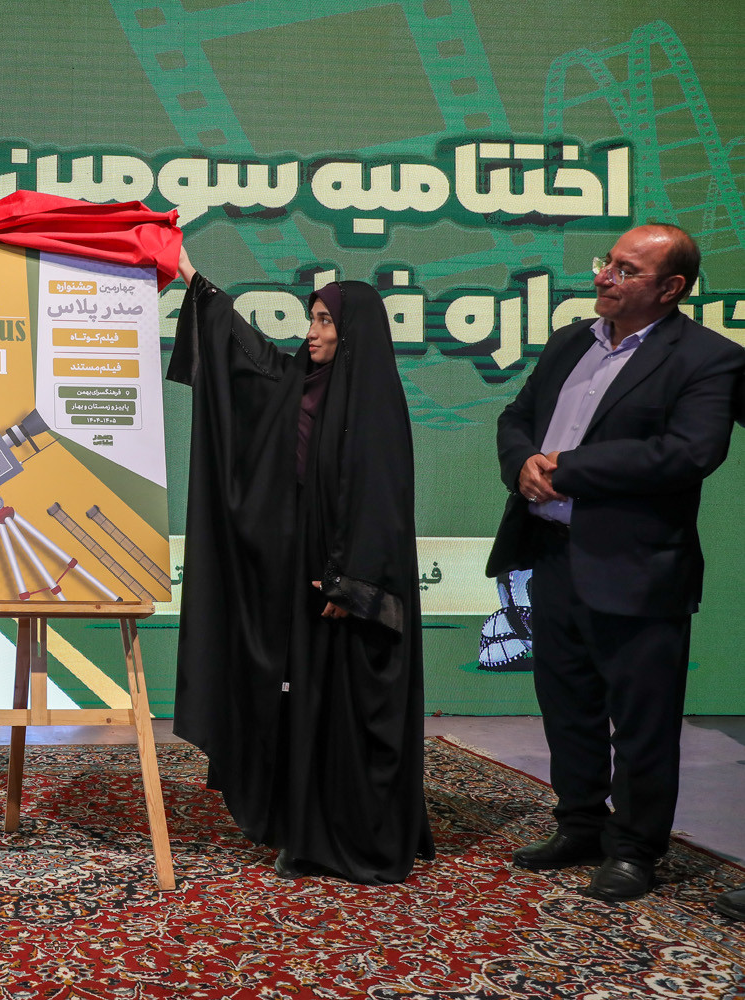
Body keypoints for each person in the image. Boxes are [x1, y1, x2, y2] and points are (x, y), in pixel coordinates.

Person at [487, 224, 745, 902]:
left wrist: (568, 470)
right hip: (552, 554)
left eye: (627, 270)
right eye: (609, 263)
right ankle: (579, 825)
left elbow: (688, 453)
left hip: (638, 567)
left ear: (671, 288)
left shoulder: (709, 358)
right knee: (567, 704)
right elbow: (515, 418)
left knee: (642, 721)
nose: (604, 276)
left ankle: (634, 849)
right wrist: (523, 464)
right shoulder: (571, 340)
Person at [166, 248, 434, 884]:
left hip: (352, 587)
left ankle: (357, 838)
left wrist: (351, 584)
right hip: (308, 577)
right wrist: (192, 278)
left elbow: (381, 504)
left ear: (353, 332)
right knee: (306, 708)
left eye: (325, 322)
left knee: (351, 713)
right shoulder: (301, 386)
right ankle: (306, 831)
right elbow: (251, 362)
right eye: (311, 319)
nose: (311, 332)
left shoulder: (373, 405)